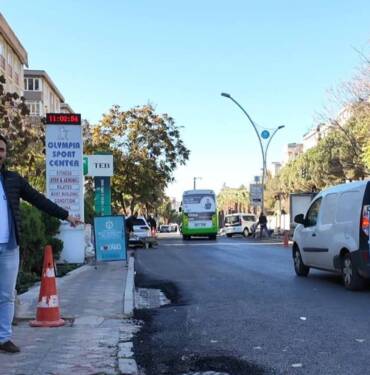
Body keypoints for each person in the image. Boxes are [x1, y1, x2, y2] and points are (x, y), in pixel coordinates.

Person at [0, 134, 82, 353]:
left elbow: (38, 200)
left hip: (9, 246)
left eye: (1, 150)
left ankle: (3, 338)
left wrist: (66, 216)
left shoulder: (13, 180)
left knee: (7, 295)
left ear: (5, 154)